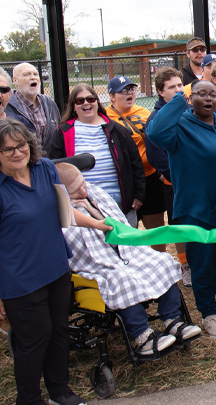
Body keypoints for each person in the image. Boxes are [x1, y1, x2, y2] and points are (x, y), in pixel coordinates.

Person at [0, 119, 110, 405]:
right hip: (19, 279)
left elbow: (66, 213)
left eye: (21, 145)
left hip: (57, 268)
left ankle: (59, 392)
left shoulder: (46, 169)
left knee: (59, 332)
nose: (16, 152)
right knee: (34, 339)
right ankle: (29, 399)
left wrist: (99, 224)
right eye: (7, 149)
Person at [56, 163, 202, 355]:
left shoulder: (93, 193)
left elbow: (116, 222)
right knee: (122, 279)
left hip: (125, 252)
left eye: (83, 184)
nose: (83, 190)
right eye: (76, 190)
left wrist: (88, 206)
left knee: (161, 262)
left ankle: (173, 320)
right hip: (98, 263)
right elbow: (77, 243)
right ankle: (142, 336)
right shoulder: (61, 212)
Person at [147, 80, 216, 339]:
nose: (209, 99)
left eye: (212, 94)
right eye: (201, 94)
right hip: (199, 211)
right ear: (191, 99)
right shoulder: (179, 127)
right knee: (203, 266)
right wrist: (179, 98)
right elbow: (154, 133)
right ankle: (208, 314)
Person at [48, 84, 146, 228]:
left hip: (119, 200)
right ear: (73, 106)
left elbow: (135, 162)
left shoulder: (116, 129)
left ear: (97, 102)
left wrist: (138, 194)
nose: (86, 103)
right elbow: (55, 167)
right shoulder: (63, 132)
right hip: (84, 203)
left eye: (90, 99)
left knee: (127, 244)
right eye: (80, 101)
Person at [105, 76, 167, 250]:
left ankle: (160, 267)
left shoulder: (144, 112)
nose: (129, 93)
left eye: (131, 89)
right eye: (123, 91)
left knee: (156, 228)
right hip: (125, 181)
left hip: (150, 177)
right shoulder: (105, 117)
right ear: (112, 96)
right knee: (126, 229)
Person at [145, 67, 192, 286]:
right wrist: (177, 174)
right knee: (179, 227)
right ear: (161, 92)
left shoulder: (189, 111)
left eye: (180, 85)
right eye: (171, 87)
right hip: (174, 183)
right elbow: (156, 156)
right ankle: (185, 265)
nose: (178, 90)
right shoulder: (156, 117)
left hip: (196, 181)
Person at [6, 63, 61, 153]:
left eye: (35, 74)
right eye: (26, 74)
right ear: (15, 80)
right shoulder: (7, 105)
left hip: (49, 162)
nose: (33, 77)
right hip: (21, 162)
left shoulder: (49, 103)